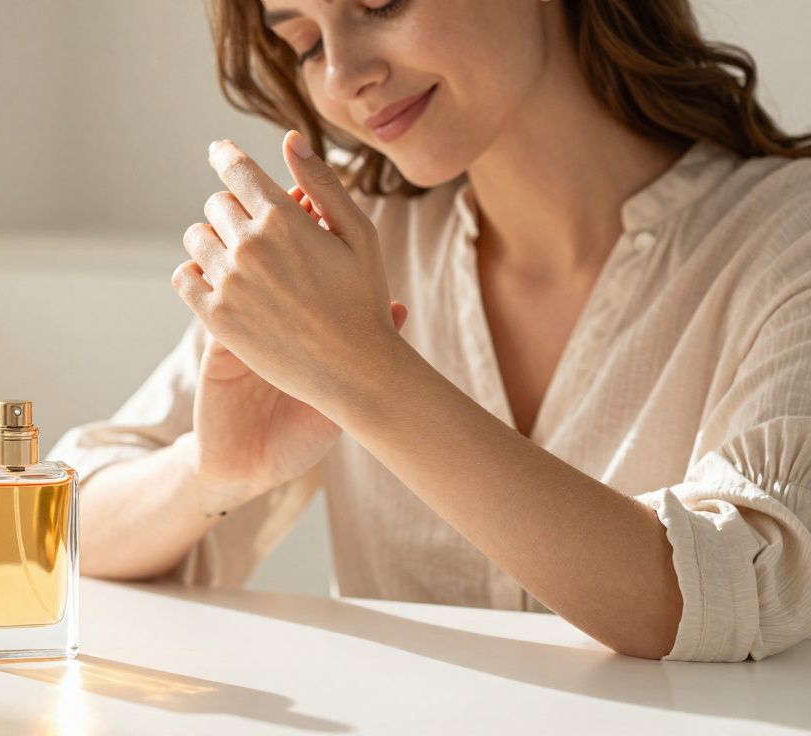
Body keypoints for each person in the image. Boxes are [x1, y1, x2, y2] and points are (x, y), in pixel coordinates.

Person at [47, 0, 811, 662]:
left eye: (382, 5)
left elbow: (736, 589)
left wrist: (364, 374)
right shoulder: (360, 235)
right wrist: (212, 472)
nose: (342, 77)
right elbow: (63, 527)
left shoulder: (784, 237)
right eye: (306, 44)